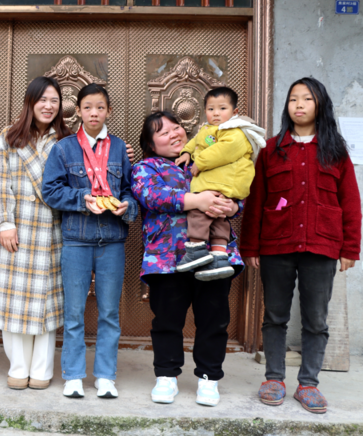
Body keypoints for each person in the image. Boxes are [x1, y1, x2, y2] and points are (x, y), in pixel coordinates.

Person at [241, 77, 361, 414]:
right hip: (276, 246)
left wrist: (350, 249)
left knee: (316, 320)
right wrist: (250, 247)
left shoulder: (335, 152)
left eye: (307, 99)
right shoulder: (271, 150)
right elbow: (256, 201)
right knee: (274, 316)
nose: (299, 105)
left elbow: (351, 203)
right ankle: (274, 379)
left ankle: (308, 384)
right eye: (293, 99)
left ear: (320, 105)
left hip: (322, 246)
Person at [131, 111, 243, 407]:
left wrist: (233, 205)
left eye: (176, 127)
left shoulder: (207, 158)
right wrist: (198, 200)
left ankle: (209, 377)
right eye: (163, 132)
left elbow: (234, 185)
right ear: (150, 144)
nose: (174, 134)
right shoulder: (145, 167)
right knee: (167, 320)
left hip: (214, 255)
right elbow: (152, 196)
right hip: (167, 259)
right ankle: (166, 376)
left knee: (214, 319)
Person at [42, 84, 138, 399]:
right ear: (78, 111)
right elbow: (50, 191)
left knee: (109, 312)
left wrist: (127, 206)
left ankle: (105, 376)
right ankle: (73, 375)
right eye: (87, 107)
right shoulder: (64, 148)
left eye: (100, 107)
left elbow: (130, 189)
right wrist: (82, 198)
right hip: (76, 239)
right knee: (74, 312)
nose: (94, 113)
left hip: (112, 239)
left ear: (109, 111)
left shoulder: (120, 148)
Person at [0, 76, 71, 390]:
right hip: (17, 229)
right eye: (42, 100)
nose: (48, 106)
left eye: (54, 100)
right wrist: (5, 223)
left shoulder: (67, 140)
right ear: (30, 102)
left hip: (53, 229)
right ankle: (18, 366)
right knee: (15, 301)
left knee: (46, 303)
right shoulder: (9, 137)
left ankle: (41, 368)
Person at [175, 87, 266, 280]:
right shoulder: (208, 129)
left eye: (222, 108)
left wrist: (200, 162)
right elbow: (196, 142)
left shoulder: (235, 131)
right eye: (211, 109)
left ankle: (196, 249)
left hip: (222, 182)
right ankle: (219, 256)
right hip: (219, 183)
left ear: (234, 112)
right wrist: (186, 152)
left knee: (199, 212)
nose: (216, 113)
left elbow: (224, 150)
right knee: (218, 218)